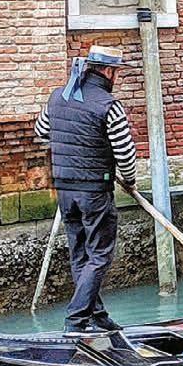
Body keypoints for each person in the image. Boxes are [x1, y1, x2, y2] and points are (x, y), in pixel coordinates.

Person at [33, 46, 139, 335]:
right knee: (99, 254)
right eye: (116, 72)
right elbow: (125, 153)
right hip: (94, 191)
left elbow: (42, 131)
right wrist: (130, 180)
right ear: (108, 71)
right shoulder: (109, 105)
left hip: (65, 190)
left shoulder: (57, 96)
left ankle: (97, 316)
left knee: (80, 253)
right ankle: (76, 320)